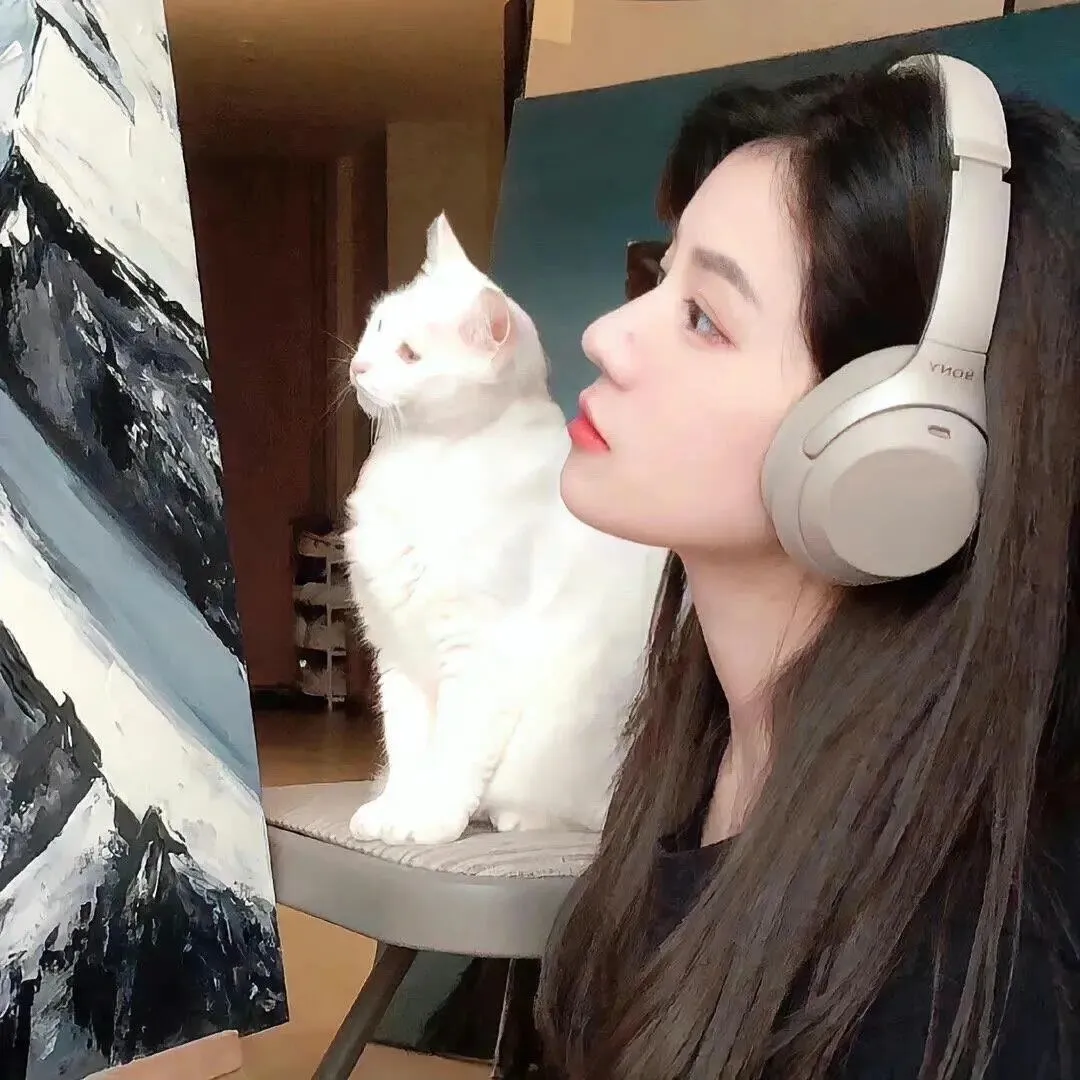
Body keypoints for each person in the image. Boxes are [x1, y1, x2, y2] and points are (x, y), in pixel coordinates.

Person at [538, 54, 1080, 1079]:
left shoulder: (971, 985)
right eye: (660, 277)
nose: (605, 335)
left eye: (705, 318)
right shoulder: (704, 758)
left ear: (898, 440)